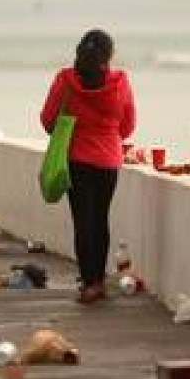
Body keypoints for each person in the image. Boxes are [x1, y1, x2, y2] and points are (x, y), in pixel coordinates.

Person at [40, 29, 136, 304]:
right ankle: (98, 282)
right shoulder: (121, 82)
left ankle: (89, 282)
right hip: (108, 162)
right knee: (100, 219)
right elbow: (127, 127)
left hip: (77, 160)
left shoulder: (65, 80)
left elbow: (48, 120)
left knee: (83, 221)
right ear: (109, 54)